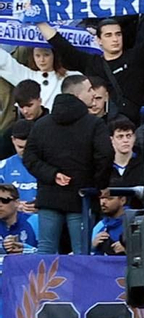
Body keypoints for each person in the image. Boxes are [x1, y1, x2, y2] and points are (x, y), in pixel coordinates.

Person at [22, 72, 111, 254]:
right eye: (89, 90)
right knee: (81, 251)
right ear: (77, 95)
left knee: (45, 250)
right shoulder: (94, 124)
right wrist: (98, 185)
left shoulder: (42, 124)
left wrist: (52, 174)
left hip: (49, 196)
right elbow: (106, 155)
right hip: (82, 197)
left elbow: (29, 158)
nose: (93, 94)